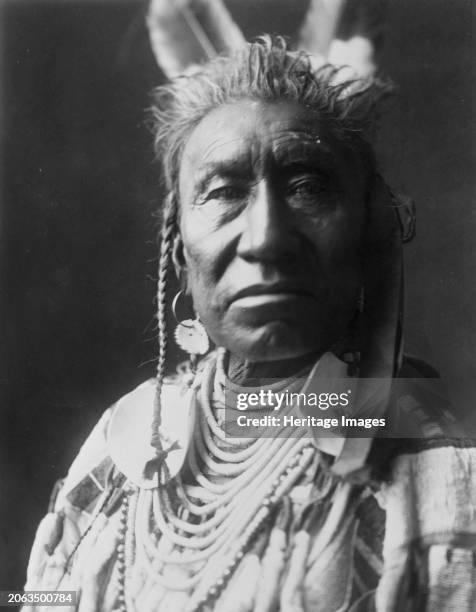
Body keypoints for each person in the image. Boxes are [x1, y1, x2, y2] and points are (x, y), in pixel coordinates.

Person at [23, 37, 476, 612]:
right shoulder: (125, 439)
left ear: (372, 231)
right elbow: (36, 594)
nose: (266, 238)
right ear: (178, 250)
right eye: (223, 192)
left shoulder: (440, 476)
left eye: (308, 187)